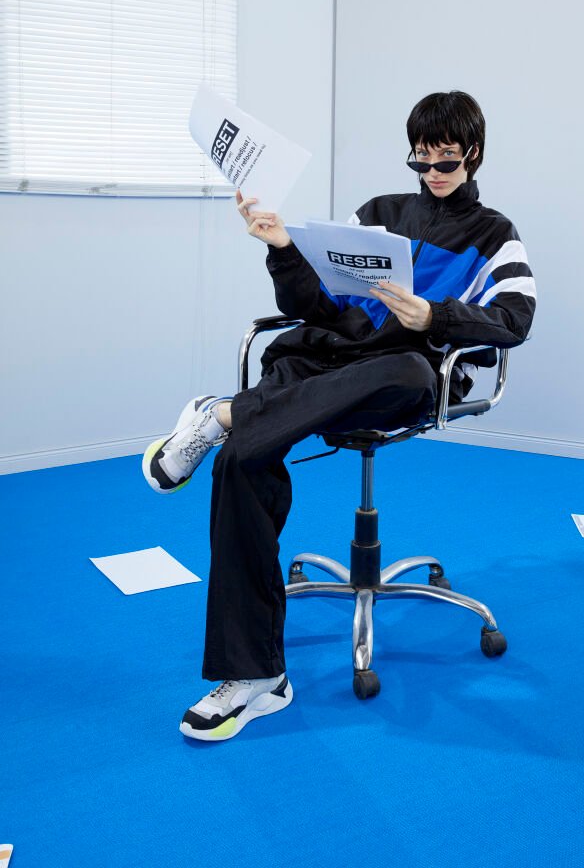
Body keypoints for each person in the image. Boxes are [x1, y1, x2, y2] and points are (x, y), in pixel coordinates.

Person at [142, 90, 536, 742]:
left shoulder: (495, 235)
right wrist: (282, 248)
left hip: (398, 377)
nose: (432, 172)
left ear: (472, 154)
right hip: (321, 364)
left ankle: (224, 414)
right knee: (242, 461)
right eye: (420, 159)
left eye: (445, 159)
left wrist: (434, 316)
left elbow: (515, 320)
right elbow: (317, 306)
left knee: (405, 369)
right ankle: (257, 676)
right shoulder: (377, 214)